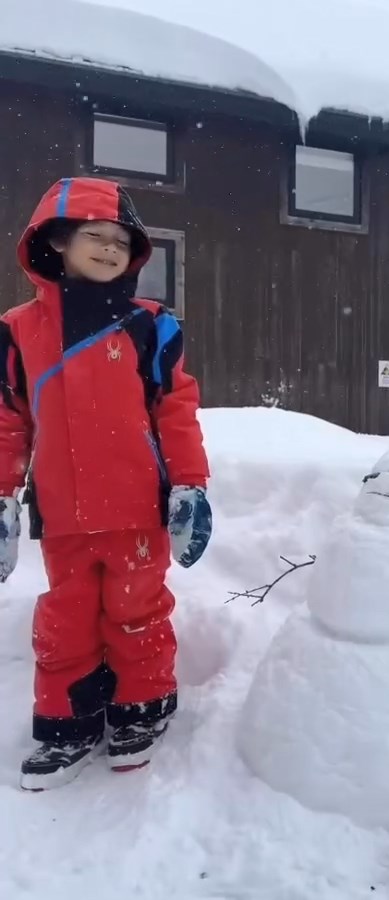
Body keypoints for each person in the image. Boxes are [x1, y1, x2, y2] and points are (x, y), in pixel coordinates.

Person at [0, 177, 211, 790]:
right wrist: (3, 497)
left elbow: (176, 408)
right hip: (62, 512)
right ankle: (68, 725)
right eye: (95, 236)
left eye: (122, 241)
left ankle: (141, 710)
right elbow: (9, 420)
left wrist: (189, 485)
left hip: (138, 509)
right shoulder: (18, 330)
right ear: (58, 241)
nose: (110, 248)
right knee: (64, 618)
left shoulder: (151, 326)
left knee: (136, 612)